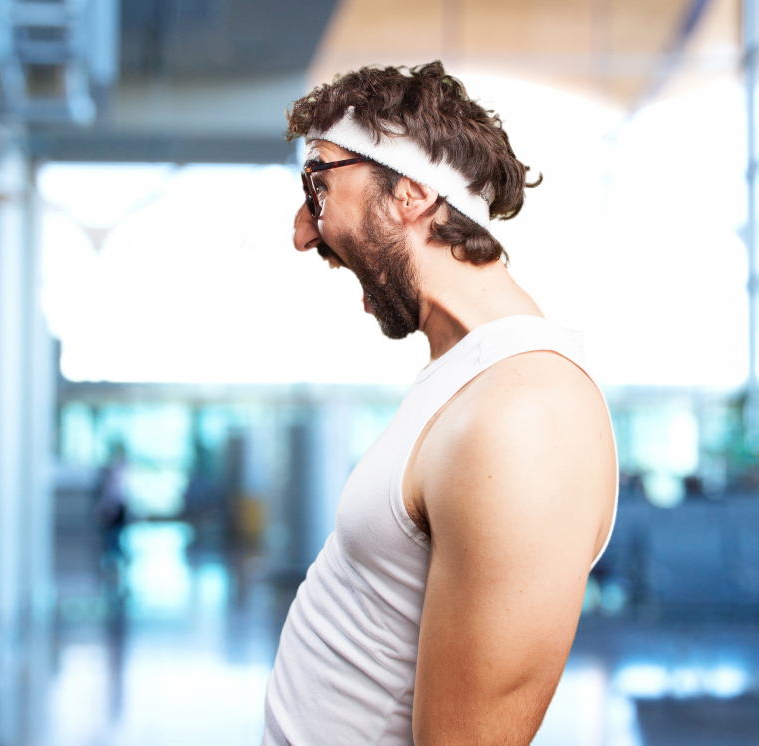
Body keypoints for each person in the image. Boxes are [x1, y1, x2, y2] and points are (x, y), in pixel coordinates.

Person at [263, 62, 618, 746]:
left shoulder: (527, 415)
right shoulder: (467, 379)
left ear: (413, 192)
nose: (304, 232)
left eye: (318, 185)